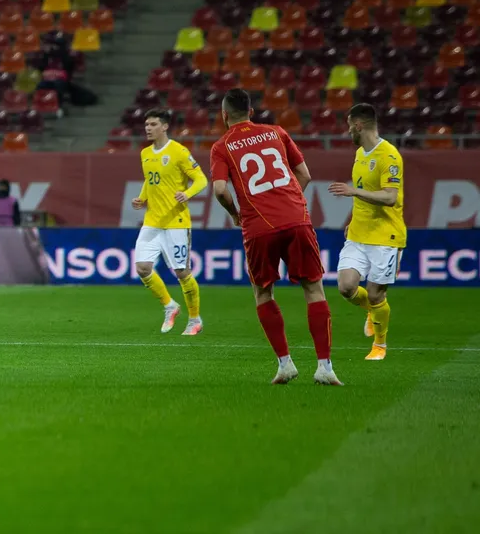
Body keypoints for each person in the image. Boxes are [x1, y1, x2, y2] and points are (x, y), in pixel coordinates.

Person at [209, 89, 341, 386]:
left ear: (224, 115)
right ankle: (325, 367)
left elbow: (219, 189)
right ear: (251, 112)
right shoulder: (277, 132)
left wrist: (235, 213)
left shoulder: (221, 146)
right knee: (314, 289)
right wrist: (288, 203)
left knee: (263, 293)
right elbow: (304, 174)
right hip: (296, 220)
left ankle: (285, 364)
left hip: (258, 227)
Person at [327, 104, 404, 361]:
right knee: (346, 287)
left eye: (349, 126)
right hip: (358, 233)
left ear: (358, 126)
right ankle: (371, 310)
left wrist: (353, 191)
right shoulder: (360, 153)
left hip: (385, 235)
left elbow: (390, 197)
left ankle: (379, 345)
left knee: (375, 293)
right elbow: (363, 196)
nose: (348, 131)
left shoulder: (389, 156)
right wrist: (352, 218)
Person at [131, 109, 207, 335]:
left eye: (153, 124)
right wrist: (142, 198)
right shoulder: (145, 153)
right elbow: (150, 180)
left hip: (176, 221)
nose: (148, 128)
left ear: (164, 126)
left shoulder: (179, 151)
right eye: (146, 124)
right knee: (142, 268)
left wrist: (187, 194)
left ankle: (194, 319)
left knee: (182, 272)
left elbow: (201, 179)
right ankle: (169, 305)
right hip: (152, 221)